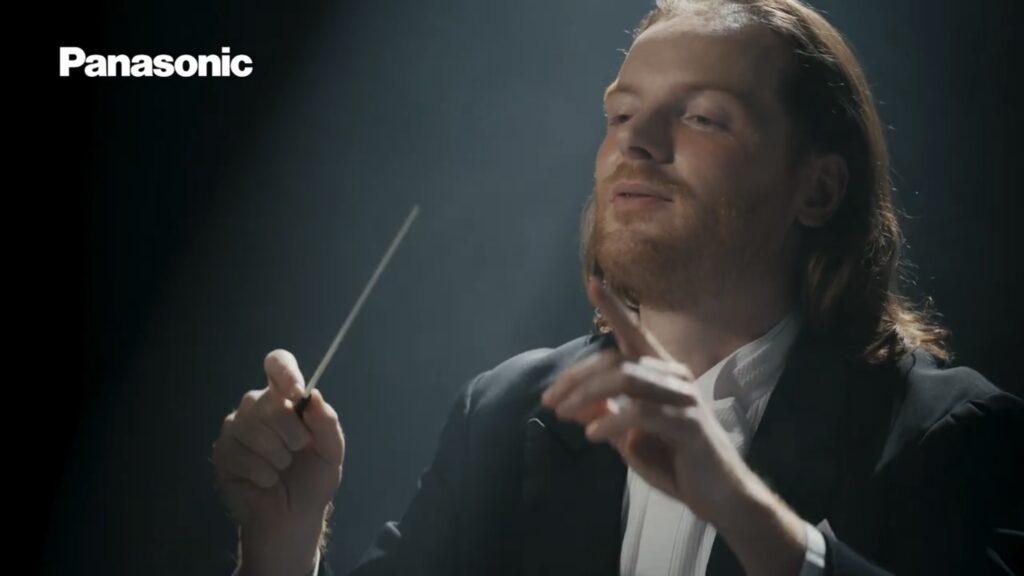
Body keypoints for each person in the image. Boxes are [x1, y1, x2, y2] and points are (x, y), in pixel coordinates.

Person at [211, 1, 1024, 574]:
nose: (636, 143)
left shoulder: (954, 438)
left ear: (817, 189)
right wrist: (284, 542)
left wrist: (741, 508)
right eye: (622, 114)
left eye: (702, 116)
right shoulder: (507, 413)